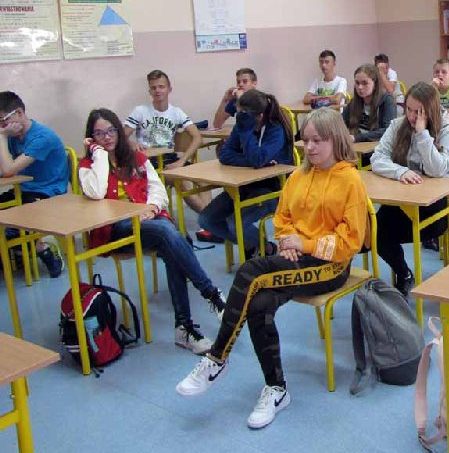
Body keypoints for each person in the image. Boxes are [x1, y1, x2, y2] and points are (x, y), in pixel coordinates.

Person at [176, 108, 367, 430]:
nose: (309, 147)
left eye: (317, 141)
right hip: (294, 258)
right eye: (306, 140)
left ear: (335, 140)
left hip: (331, 266)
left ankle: (217, 358)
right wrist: (286, 242)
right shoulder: (298, 176)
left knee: (250, 271)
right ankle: (277, 389)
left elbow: (350, 242)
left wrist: (304, 244)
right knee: (259, 305)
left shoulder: (350, 180)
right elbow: (282, 217)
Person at [79, 109, 226, 354]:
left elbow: (157, 188)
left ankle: (184, 327)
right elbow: (96, 192)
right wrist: (100, 155)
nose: (107, 137)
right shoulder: (88, 166)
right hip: (116, 230)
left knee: (172, 242)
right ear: (91, 137)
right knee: (168, 233)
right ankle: (211, 295)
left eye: (111, 130)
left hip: (148, 223)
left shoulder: (136, 158)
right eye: (99, 133)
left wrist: (152, 207)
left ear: (119, 130)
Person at [371, 82, 449, 296]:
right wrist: (399, 171)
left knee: (393, 230)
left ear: (431, 111)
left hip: (445, 201)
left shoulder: (448, 132)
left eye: (419, 112)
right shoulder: (398, 125)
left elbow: (438, 170)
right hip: (406, 197)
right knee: (376, 230)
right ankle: (404, 274)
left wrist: (422, 134)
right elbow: (377, 158)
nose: (412, 116)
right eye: (409, 109)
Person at [198, 90, 294, 258]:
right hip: (244, 186)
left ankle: (262, 248)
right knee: (206, 220)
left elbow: (258, 159)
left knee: (235, 223)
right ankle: (258, 246)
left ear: (260, 116)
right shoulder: (243, 126)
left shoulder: (275, 129)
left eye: (244, 114)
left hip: (272, 190)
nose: (240, 118)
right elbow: (225, 155)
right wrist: (256, 161)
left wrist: (256, 157)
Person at [124, 69, 209, 214]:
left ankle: (208, 220)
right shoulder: (140, 111)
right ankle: (209, 219)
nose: (157, 90)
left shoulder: (176, 112)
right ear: (149, 91)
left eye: (161, 87)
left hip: (171, 160)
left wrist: (181, 161)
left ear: (169, 88)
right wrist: (132, 143)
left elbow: (197, 137)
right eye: (153, 88)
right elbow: (121, 136)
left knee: (204, 179)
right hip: (150, 164)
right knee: (181, 181)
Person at [0, 91, 65, 277]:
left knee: (10, 229)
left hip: (47, 194)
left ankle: (44, 249)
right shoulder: (13, 137)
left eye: (3, 121)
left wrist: (2, 137)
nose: (1, 127)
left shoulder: (42, 137)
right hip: (23, 191)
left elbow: (8, 170)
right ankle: (19, 253)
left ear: (19, 113)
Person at [342, 64, 396, 143]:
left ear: (375, 84)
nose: (360, 87)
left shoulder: (387, 101)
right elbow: (341, 122)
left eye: (365, 83)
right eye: (357, 83)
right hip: (357, 145)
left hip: (375, 146)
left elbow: (388, 131)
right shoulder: (354, 102)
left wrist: (356, 138)